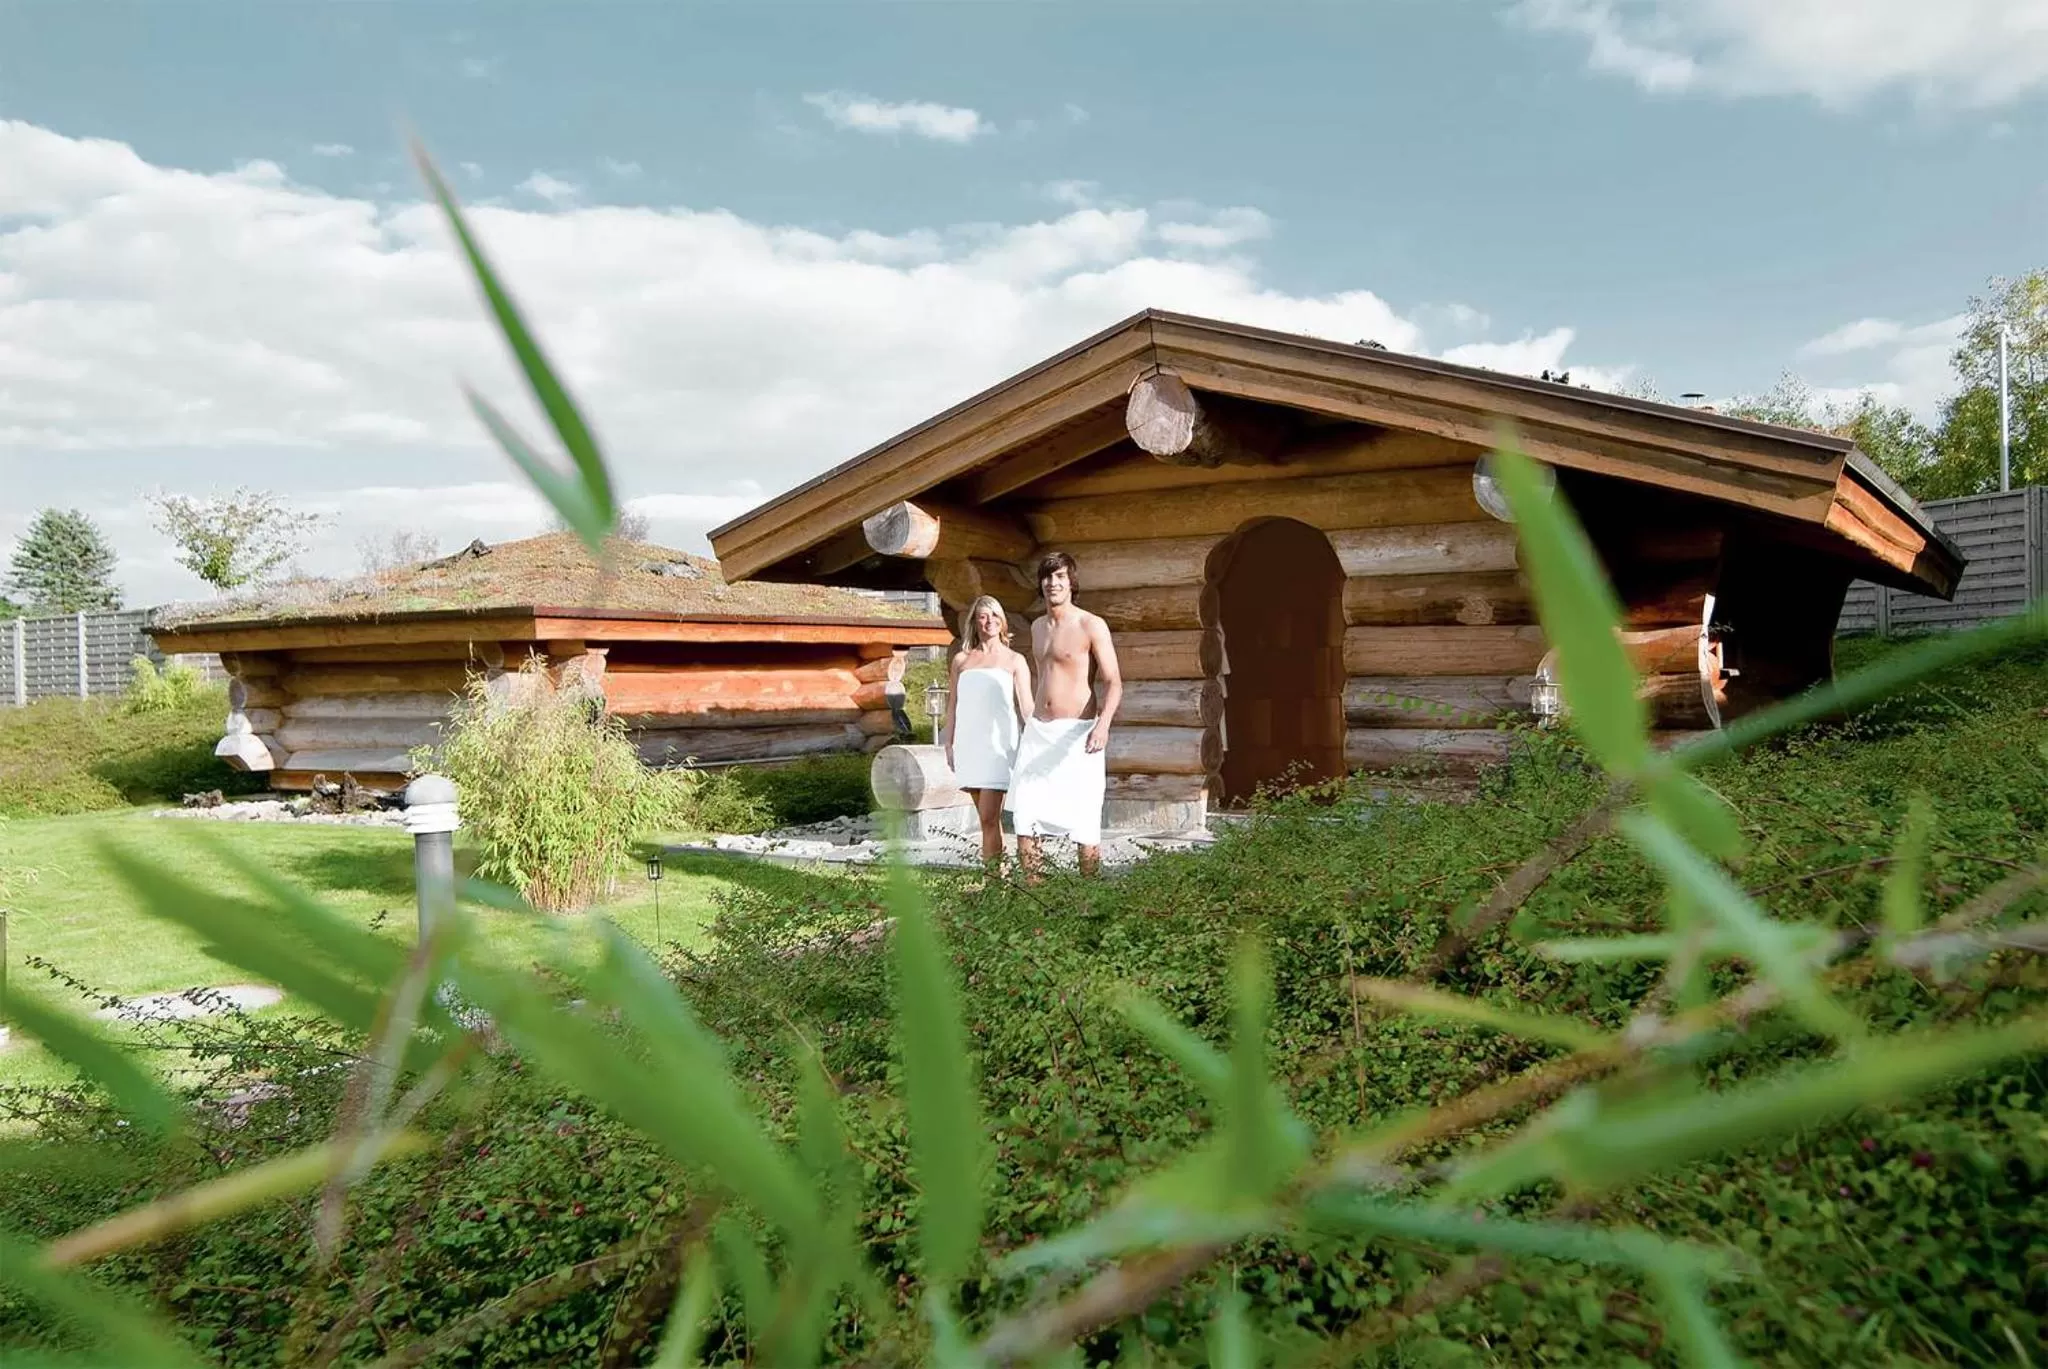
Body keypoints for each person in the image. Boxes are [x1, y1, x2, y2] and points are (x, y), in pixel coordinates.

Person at [1007, 550, 1122, 881]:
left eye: (1059, 577)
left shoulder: (1091, 624)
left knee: (1084, 816)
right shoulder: (1038, 627)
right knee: (1025, 812)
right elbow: (1041, 678)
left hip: (1079, 734)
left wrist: (1103, 725)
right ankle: (1036, 893)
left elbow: (1114, 682)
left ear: (1071, 582)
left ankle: (1089, 896)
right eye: (1047, 577)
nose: (1052, 583)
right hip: (1039, 733)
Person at [940, 595, 1033, 868]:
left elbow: (1026, 708)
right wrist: (949, 743)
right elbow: (953, 704)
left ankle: (993, 885)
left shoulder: (1015, 660)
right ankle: (999, 880)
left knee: (990, 817)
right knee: (986, 821)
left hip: (999, 748)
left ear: (1002, 621)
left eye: (994, 615)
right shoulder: (961, 660)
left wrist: (1043, 736)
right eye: (983, 615)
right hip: (969, 746)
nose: (989, 621)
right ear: (975, 622)